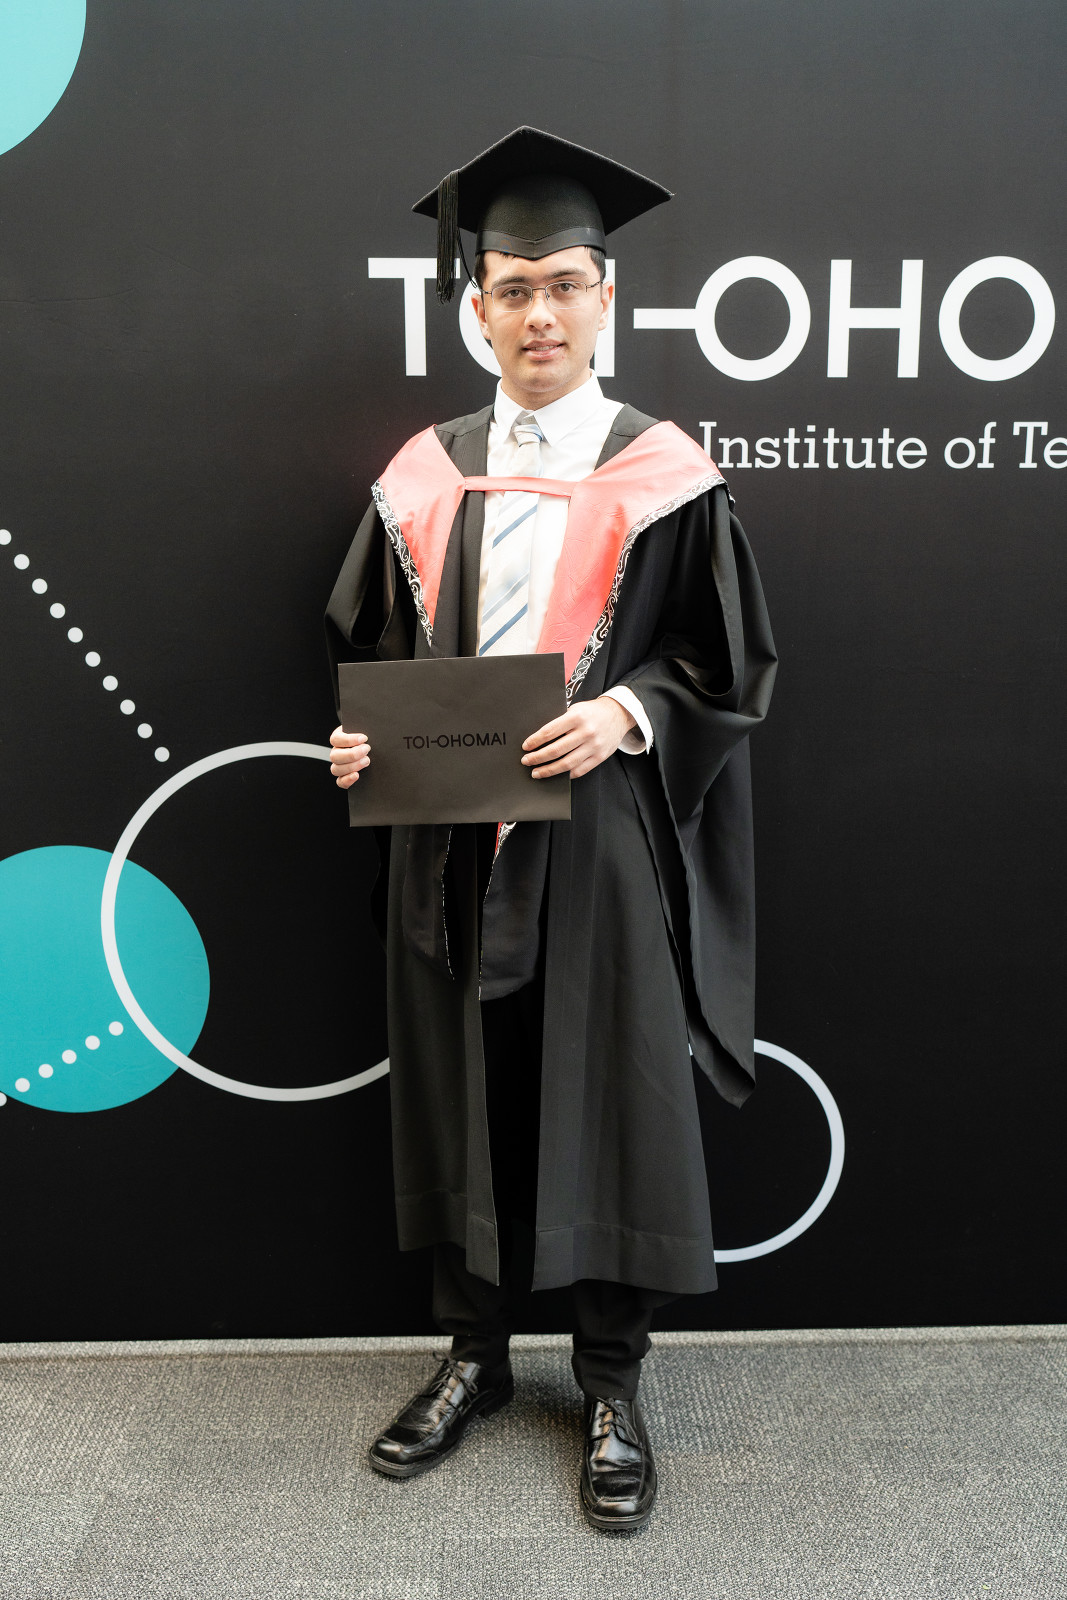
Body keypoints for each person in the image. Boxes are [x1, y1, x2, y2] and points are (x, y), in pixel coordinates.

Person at [326, 126, 776, 1531]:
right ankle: (473, 1356)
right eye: (513, 287)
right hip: (453, 839)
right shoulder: (423, 474)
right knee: (463, 1086)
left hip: (598, 843)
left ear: (605, 300)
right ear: (476, 306)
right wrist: (362, 740)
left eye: (564, 286)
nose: (539, 313)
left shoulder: (666, 475)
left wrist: (627, 712)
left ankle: (613, 1385)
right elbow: (378, 655)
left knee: (608, 1092)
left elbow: (726, 668)